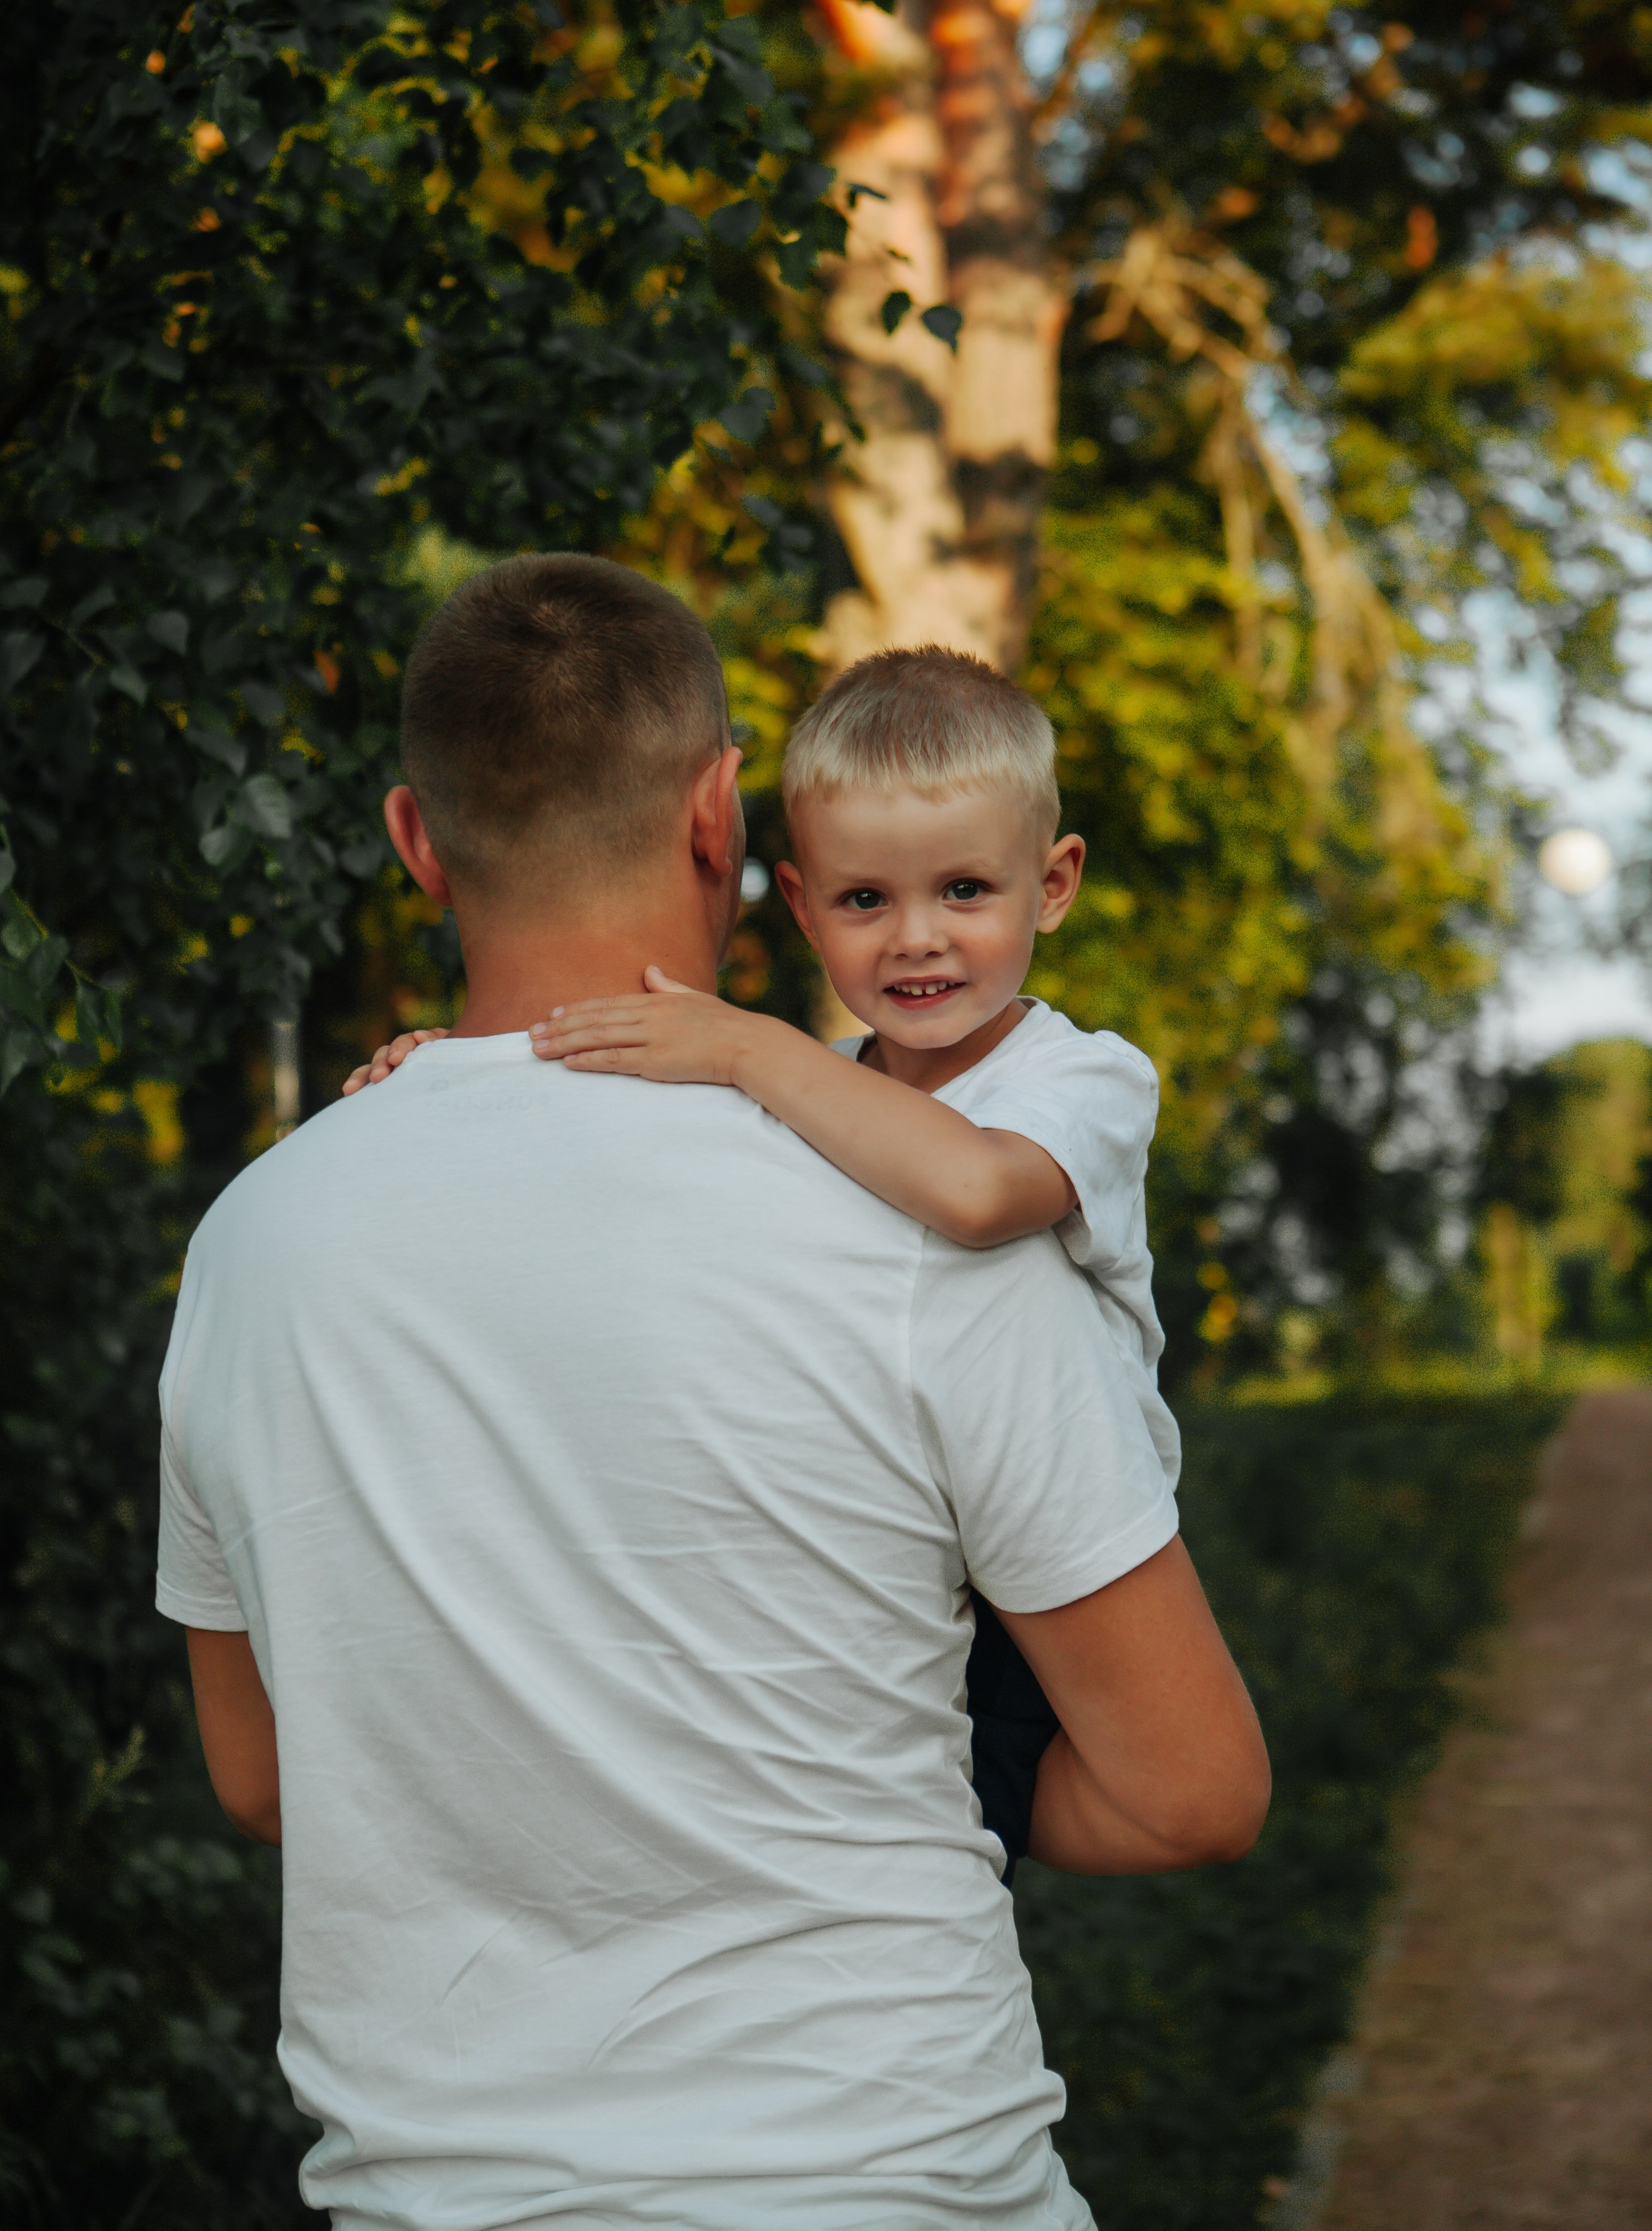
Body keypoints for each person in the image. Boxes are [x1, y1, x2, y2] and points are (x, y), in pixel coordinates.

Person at [159, 553, 1270, 2231]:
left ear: (414, 841)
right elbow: (1191, 1793)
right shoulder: (912, 1218)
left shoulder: (248, 1246)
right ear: (725, 822)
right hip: (884, 2179)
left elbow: (262, 1780)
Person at [349, 645, 1178, 1876]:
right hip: (905, 1551)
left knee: (945, 1818)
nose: (916, 942)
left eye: (964, 891)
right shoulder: (824, 1087)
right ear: (795, 902)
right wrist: (448, 1073)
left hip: (1062, 1571)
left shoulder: (1084, 1077)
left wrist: (747, 1048)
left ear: (1052, 885)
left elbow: (976, 1188)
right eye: (863, 902)